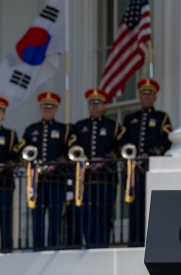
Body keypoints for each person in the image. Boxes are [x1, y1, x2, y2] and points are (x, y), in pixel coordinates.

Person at [14, 92, 77, 250]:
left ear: (56, 109)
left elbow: (71, 151)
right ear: (41, 109)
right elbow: (20, 150)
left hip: (57, 180)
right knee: (37, 215)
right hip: (37, 182)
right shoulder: (31, 129)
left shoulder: (65, 129)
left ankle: (54, 246)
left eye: (51, 107)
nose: (47, 110)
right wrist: (31, 163)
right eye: (45, 107)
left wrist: (57, 163)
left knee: (56, 214)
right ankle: (38, 246)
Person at [119, 78, 172, 247]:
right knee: (134, 204)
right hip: (133, 170)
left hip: (151, 168)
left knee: (149, 204)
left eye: (150, 94)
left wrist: (149, 153)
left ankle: (150, 239)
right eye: (143, 94)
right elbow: (121, 140)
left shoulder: (161, 117)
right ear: (140, 97)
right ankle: (134, 239)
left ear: (155, 97)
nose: (146, 97)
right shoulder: (130, 118)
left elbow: (166, 140)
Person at [73, 88, 122, 248]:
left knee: (104, 213)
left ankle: (102, 244)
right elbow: (73, 147)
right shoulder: (80, 126)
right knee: (87, 213)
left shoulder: (113, 126)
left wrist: (105, 159)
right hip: (86, 179)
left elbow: (120, 148)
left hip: (107, 178)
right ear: (88, 106)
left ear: (104, 105)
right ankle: (89, 244)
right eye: (92, 103)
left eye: (98, 103)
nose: (95, 106)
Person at [0, 97, 18, 253]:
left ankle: (6, 249)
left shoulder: (10, 135)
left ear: (4, 115)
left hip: (4, 182)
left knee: (5, 217)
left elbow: (16, 158)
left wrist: (5, 166)